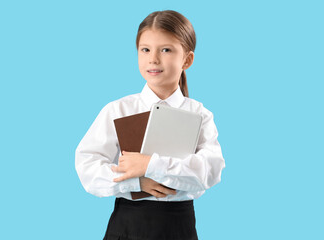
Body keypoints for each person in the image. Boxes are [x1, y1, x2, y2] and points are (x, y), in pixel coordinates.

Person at [75, 10, 226, 240]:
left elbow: (210, 171)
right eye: (145, 49)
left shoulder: (199, 114)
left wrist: (150, 164)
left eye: (165, 50)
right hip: (127, 226)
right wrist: (136, 182)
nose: (153, 59)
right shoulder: (118, 110)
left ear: (187, 59)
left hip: (179, 227)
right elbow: (87, 168)